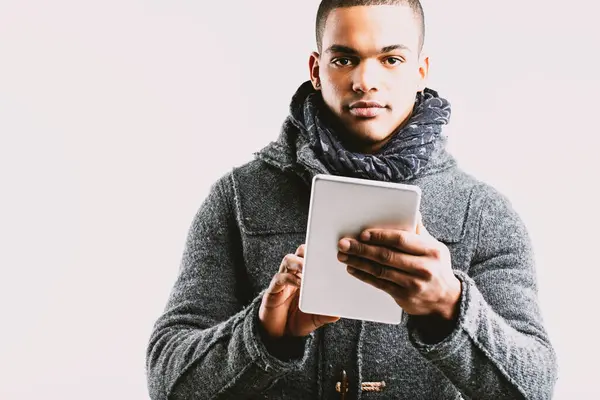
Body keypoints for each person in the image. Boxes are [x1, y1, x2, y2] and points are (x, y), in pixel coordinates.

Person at [145, 1, 558, 399]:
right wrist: (263, 335)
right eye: (344, 59)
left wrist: (450, 305)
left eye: (390, 60)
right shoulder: (237, 198)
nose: (365, 81)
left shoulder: (483, 212)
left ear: (421, 71)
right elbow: (168, 381)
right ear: (316, 69)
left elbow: (535, 387)